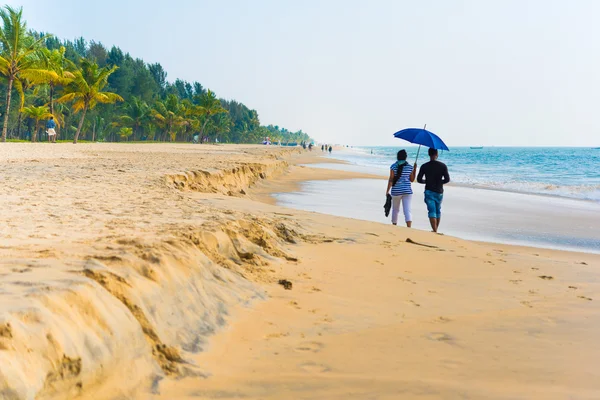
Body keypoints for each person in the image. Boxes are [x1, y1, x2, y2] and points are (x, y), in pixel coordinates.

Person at [417, 148, 450, 233]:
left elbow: (419, 179)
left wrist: (427, 181)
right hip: (439, 191)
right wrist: (439, 182)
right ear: (437, 154)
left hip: (429, 190)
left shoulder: (424, 166)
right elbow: (447, 179)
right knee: (438, 210)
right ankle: (435, 230)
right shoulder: (443, 166)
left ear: (429, 154)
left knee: (432, 211)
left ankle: (434, 230)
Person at [385, 149, 417, 227]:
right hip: (407, 191)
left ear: (397, 157)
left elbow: (391, 179)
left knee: (395, 210)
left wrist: (387, 191)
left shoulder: (393, 166)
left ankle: (394, 225)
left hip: (396, 191)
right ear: (406, 157)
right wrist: (415, 169)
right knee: (407, 210)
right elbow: (412, 180)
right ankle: (409, 227)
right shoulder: (410, 167)